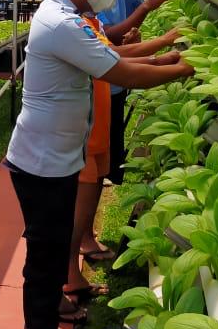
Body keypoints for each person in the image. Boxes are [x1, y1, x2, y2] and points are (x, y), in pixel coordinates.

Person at [6, 0, 193, 329]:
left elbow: (112, 59)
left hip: (54, 158)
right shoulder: (62, 23)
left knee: (48, 264)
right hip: (43, 164)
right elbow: (119, 74)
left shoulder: (69, 18)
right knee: (45, 268)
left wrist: (164, 59)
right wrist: (184, 69)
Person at [65, 16, 180, 305]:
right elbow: (118, 66)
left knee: (91, 191)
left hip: (96, 126)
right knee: (76, 207)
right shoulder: (71, 25)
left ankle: (82, 248)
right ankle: (69, 276)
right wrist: (166, 54)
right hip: (82, 131)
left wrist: (157, 55)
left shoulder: (92, 22)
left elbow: (112, 53)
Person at [81, 0, 198, 189]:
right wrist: (169, 56)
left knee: (105, 153)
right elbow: (110, 48)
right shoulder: (73, 19)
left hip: (111, 84)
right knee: (91, 162)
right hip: (98, 88)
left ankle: (95, 205)